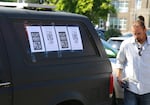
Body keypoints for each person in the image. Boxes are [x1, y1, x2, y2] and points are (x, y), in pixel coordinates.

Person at [116, 19, 150, 105]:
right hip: (131, 88)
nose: (136, 36)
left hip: (148, 89)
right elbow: (120, 61)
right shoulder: (126, 44)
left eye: (139, 33)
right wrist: (119, 76)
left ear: (145, 30)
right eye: (134, 34)